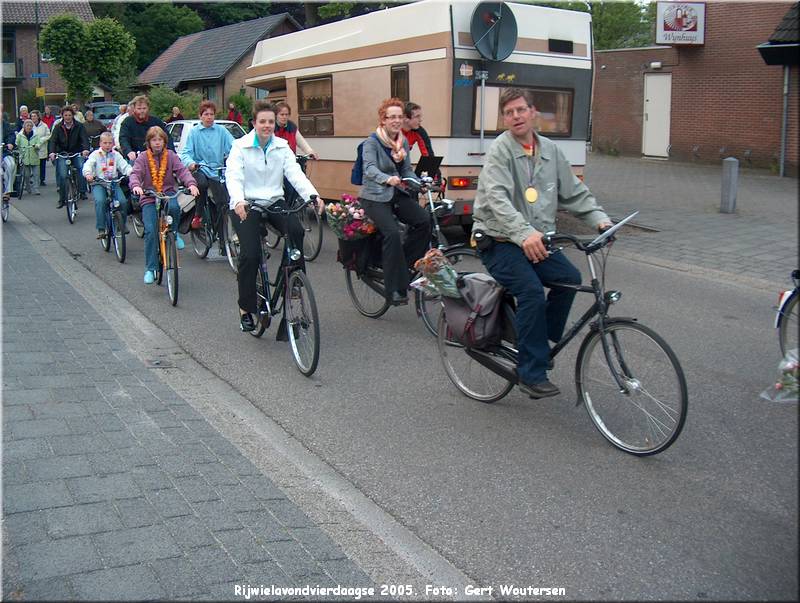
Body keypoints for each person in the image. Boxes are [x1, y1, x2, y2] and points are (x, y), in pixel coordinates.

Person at [472, 88, 612, 400]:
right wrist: (524, 234)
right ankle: (530, 372)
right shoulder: (500, 151)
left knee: (569, 280)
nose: (516, 116)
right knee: (532, 292)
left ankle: (536, 340)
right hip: (499, 239)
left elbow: (574, 192)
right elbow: (497, 200)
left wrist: (599, 219)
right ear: (504, 119)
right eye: (508, 113)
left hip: (536, 239)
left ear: (533, 112)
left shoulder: (549, 150)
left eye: (521, 110)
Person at [225, 100, 322, 332]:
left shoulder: (281, 147)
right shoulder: (241, 146)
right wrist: (238, 200)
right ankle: (246, 309)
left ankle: (293, 284)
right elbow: (234, 176)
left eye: (270, 121)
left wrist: (313, 196)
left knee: (296, 231)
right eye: (263, 122)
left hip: (274, 201)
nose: (267, 126)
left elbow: (295, 175)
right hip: (246, 204)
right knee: (250, 255)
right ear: (254, 123)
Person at [358, 97, 431, 306]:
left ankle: (405, 265)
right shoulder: (371, 142)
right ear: (383, 119)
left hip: (396, 192)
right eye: (392, 117)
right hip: (374, 197)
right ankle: (395, 288)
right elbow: (369, 168)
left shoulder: (403, 141)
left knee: (423, 220)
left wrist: (419, 183)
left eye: (400, 117)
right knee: (391, 232)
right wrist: (386, 178)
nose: (397, 121)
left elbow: (406, 169)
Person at [129, 127, 199, 284]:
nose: (157, 143)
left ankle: (174, 233)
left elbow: (182, 171)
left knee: (174, 208)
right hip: (149, 196)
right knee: (150, 232)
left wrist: (191, 184)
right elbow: (135, 174)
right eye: (154, 140)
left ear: (164, 141)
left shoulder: (171, 156)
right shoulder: (142, 158)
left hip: (167, 193)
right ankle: (151, 268)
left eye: (160, 140)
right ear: (149, 142)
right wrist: (136, 186)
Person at [179, 100, 234, 242]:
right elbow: (186, 153)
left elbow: (233, 147)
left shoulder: (221, 131)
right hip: (200, 168)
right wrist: (191, 163)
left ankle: (223, 242)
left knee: (223, 203)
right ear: (200, 116)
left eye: (211, 114)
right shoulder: (194, 132)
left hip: (216, 170)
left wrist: (237, 158)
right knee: (201, 184)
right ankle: (198, 215)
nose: (209, 117)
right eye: (206, 114)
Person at [83, 131, 133, 239]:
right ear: (100, 143)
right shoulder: (95, 155)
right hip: (99, 183)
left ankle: (122, 224)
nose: (107, 145)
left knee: (123, 202)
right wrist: (88, 174)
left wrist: (131, 172)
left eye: (110, 143)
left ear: (113, 143)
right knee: (100, 201)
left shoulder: (116, 155)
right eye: (105, 143)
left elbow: (124, 166)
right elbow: (88, 165)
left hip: (113, 182)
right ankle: (101, 228)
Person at [48, 105, 90, 208]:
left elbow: (84, 139)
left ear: (73, 115)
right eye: (65, 115)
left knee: (81, 167)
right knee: (62, 175)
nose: (67, 117)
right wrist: (52, 152)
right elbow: (53, 141)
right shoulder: (58, 127)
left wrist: (85, 149)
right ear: (62, 116)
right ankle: (62, 199)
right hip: (62, 153)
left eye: (69, 115)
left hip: (76, 152)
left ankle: (82, 191)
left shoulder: (79, 126)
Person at [119, 95, 173, 162]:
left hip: (156, 157)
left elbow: (167, 137)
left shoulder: (156, 121)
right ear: (134, 109)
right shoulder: (127, 122)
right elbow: (123, 138)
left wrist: (171, 153)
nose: (142, 111)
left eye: (144, 108)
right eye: (139, 108)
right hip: (135, 158)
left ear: (148, 108)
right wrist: (128, 151)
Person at [15, 120, 42, 195]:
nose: (29, 127)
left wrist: (36, 146)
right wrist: (18, 149)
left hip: (34, 156)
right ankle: (28, 187)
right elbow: (17, 143)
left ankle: (36, 188)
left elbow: (39, 143)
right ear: (24, 126)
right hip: (25, 157)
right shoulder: (20, 135)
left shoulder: (36, 135)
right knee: (26, 175)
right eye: (27, 125)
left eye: (30, 126)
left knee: (36, 174)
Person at [30, 110, 51, 187]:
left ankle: (42, 179)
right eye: (32, 116)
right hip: (33, 148)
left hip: (42, 148)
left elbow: (48, 135)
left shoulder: (44, 125)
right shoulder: (29, 125)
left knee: (42, 165)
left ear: (38, 117)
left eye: (34, 116)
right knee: (33, 164)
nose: (33, 118)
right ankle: (34, 179)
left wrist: (41, 140)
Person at [2, 113, 18, 204]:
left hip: (3, 152)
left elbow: (11, 135)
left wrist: (10, 143)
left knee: (11, 164)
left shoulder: (5, 125)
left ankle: (7, 191)